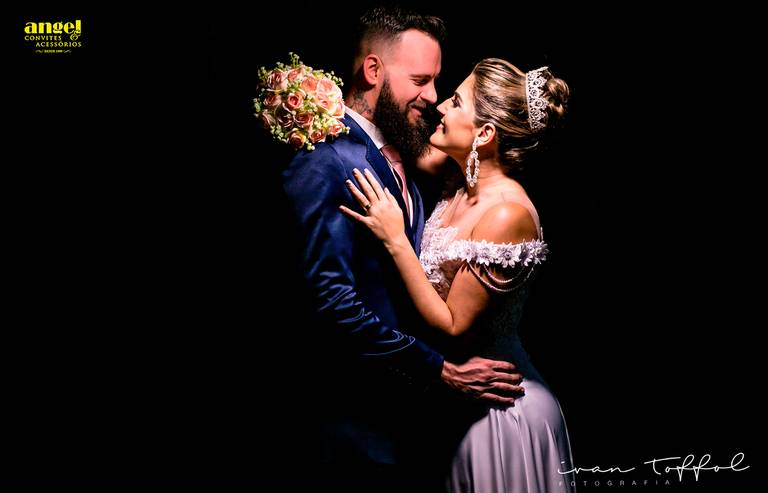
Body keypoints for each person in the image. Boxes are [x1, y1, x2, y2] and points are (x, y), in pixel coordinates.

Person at [280, 7, 523, 490]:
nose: (433, 97)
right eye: (420, 80)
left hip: (406, 427)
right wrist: (438, 371)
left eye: (437, 83)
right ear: (373, 70)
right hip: (353, 431)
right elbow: (330, 303)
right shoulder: (324, 162)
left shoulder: (402, 151)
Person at [341, 59, 576, 492]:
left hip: (499, 411)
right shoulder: (461, 176)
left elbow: (454, 325)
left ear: (484, 135)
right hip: (455, 401)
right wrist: (321, 103)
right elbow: (393, 140)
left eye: (455, 101)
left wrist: (395, 238)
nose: (440, 107)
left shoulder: (506, 214)